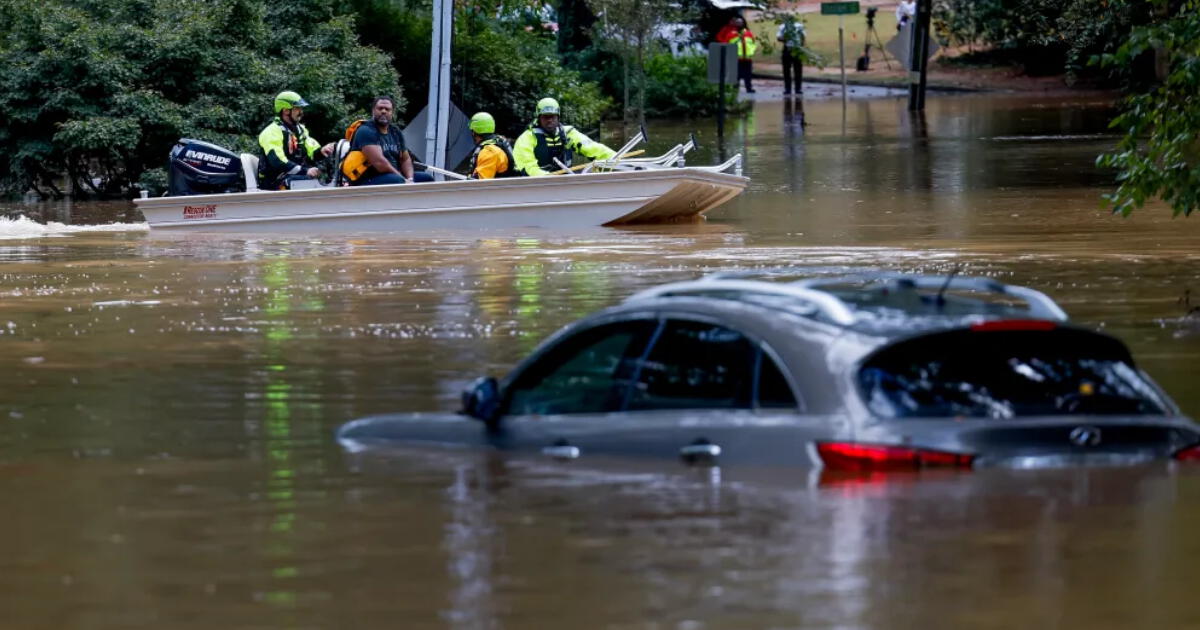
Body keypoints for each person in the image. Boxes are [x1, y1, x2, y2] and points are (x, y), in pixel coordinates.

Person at [512, 98, 616, 177]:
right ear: (539, 118)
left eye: (553, 116)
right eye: (546, 117)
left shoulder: (568, 133)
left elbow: (594, 148)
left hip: (564, 181)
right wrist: (550, 178)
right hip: (537, 185)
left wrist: (617, 159)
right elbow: (529, 168)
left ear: (558, 117)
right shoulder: (526, 139)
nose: (550, 120)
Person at [347, 96, 433, 186]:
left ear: (392, 113)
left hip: (393, 177)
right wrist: (403, 180)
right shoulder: (366, 130)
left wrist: (410, 179)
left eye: (387, 109)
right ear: (373, 111)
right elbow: (380, 163)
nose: (383, 111)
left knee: (426, 178)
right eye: (380, 108)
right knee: (397, 181)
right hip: (368, 179)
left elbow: (405, 159)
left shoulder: (395, 132)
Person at [257, 90, 335, 190]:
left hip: (290, 177)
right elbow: (277, 161)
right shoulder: (271, 132)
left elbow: (311, 151)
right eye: (297, 108)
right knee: (309, 182)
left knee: (322, 181)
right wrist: (305, 171)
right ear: (286, 110)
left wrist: (322, 151)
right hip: (273, 182)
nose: (301, 112)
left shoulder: (299, 129)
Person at [467, 112, 519, 179]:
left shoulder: (489, 152)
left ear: (474, 132)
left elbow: (480, 184)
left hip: (499, 188)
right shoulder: (497, 141)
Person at [716, 16, 757, 93]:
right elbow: (726, 44)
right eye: (738, 23)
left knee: (748, 75)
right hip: (736, 58)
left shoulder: (748, 33)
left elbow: (753, 43)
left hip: (747, 58)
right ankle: (735, 88)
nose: (739, 24)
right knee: (736, 75)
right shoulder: (731, 34)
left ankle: (749, 88)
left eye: (740, 23)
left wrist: (752, 51)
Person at [776, 15, 806, 95]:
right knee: (786, 70)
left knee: (798, 70)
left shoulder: (799, 26)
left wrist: (801, 47)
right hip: (787, 48)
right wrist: (787, 38)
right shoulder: (782, 27)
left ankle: (798, 88)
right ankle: (787, 88)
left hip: (797, 48)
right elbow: (778, 38)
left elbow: (803, 36)